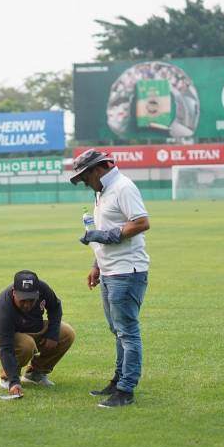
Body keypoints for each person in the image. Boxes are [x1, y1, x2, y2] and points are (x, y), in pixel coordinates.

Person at [71, 149, 150, 408]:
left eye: (85, 177)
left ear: (98, 169)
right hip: (109, 271)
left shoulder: (123, 187)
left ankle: (126, 390)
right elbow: (103, 231)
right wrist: (97, 264)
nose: (84, 182)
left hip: (127, 272)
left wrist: (107, 236)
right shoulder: (102, 191)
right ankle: (118, 381)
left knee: (127, 332)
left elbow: (140, 223)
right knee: (117, 331)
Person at [0, 270, 75, 398]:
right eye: (23, 300)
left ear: (37, 293)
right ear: (14, 292)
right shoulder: (4, 306)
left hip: (32, 331)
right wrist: (14, 382)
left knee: (66, 333)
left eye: (31, 300)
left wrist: (52, 334)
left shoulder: (43, 288)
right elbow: (6, 347)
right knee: (26, 344)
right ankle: (7, 378)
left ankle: (35, 374)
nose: (27, 304)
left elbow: (55, 307)